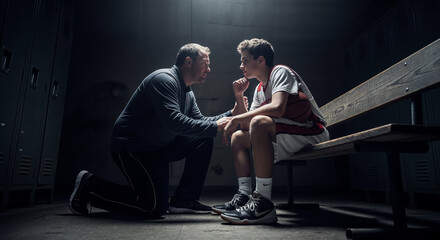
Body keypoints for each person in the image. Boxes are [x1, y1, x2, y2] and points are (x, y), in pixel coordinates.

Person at [69, 43, 247, 219]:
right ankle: (90, 185)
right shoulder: (163, 79)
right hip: (132, 148)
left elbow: (199, 122)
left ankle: (184, 200)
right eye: (205, 63)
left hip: (157, 147)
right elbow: (174, 122)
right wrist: (217, 125)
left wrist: (231, 114)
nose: (209, 69)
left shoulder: (187, 92)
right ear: (188, 61)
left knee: (202, 138)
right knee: (152, 208)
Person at [213, 38, 329, 224]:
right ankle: (244, 195)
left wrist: (237, 118)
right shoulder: (259, 88)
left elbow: (278, 109)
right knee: (238, 138)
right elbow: (246, 127)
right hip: (287, 131)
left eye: (245, 60)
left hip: (312, 130)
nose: (241, 65)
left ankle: (264, 203)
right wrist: (239, 96)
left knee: (259, 122)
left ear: (260, 60)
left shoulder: (280, 72)